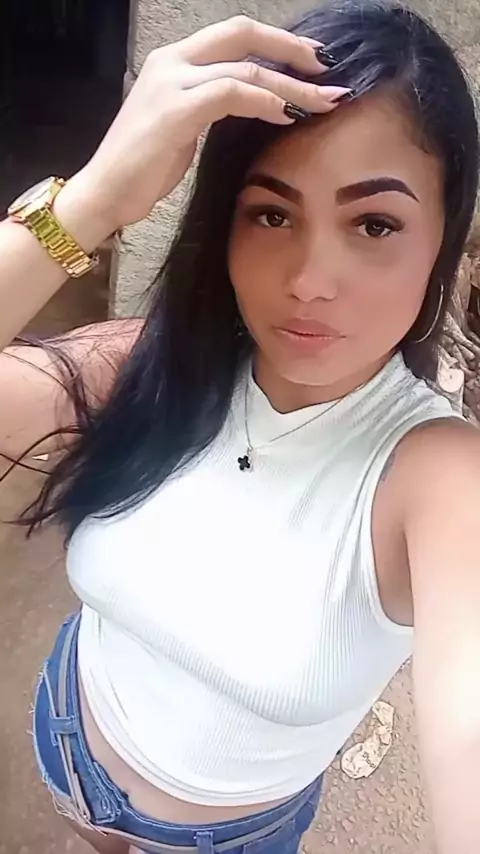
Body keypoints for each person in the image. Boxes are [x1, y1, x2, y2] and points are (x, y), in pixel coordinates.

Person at [1, 0, 480, 851]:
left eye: (374, 223)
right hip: (66, 736)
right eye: (271, 213)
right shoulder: (147, 366)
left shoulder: (439, 478)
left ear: (443, 243)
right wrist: (90, 202)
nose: (309, 280)